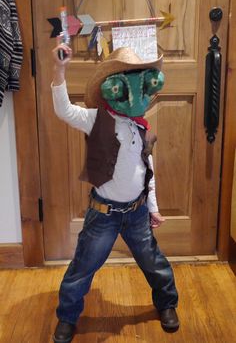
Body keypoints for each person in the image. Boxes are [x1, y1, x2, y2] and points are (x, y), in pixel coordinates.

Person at [51, 41, 179, 343]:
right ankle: (67, 317)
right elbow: (63, 110)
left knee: (154, 262)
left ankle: (167, 303)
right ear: (113, 87)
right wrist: (60, 68)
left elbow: (147, 173)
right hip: (103, 215)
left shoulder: (142, 128)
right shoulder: (95, 119)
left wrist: (154, 207)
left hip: (136, 214)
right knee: (82, 268)